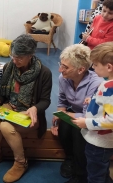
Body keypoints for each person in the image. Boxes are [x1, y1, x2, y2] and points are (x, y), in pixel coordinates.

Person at [0, 34, 52, 183]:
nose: (14, 60)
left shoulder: (44, 73)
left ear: (31, 55)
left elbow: (45, 101)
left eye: (19, 57)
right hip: (10, 105)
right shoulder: (9, 67)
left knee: (6, 127)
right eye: (13, 56)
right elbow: (3, 93)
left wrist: (34, 108)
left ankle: (21, 162)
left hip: (29, 112)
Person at [51, 44, 102, 183]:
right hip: (75, 112)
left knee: (78, 132)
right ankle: (70, 159)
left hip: (93, 117)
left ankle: (81, 174)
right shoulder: (63, 78)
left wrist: (66, 114)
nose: (60, 70)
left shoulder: (96, 83)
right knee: (64, 128)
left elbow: (88, 116)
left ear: (81, 69)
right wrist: (58, 116)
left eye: (65, 67)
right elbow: (62, 101)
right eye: (61, 64)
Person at [72, 42, 113, 183]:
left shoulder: (110, 87)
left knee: (95, 175)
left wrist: (86, 123)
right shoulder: (107, 82)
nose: (93, 67)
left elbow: (111, 120)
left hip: (100, 143)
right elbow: (107, 103)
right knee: (101, 170)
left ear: (109, 67)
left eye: (95, 65)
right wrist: (94, 100)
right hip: (101, 141)